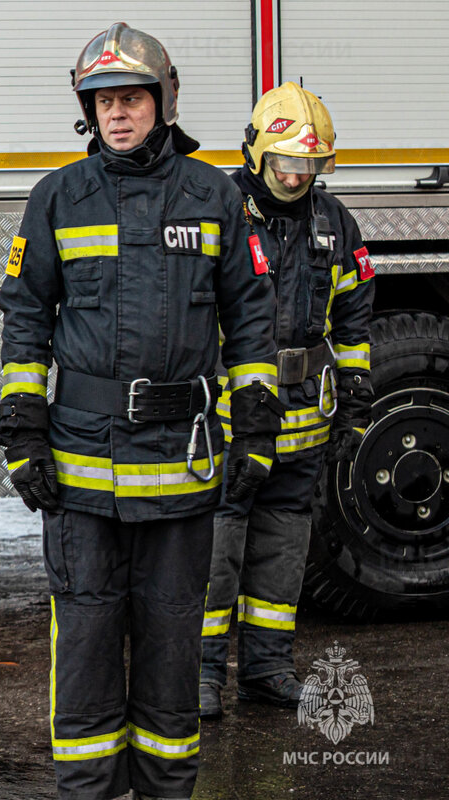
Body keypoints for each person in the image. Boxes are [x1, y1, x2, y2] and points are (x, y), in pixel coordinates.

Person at [0, 23, 282, 800]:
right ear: (87, 111)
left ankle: (167, 787)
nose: (117, 114)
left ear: (165, 100)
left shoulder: (215, 195)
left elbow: (250, 318)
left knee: (170, 649)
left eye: (131, 98)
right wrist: (22, 428)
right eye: (103, 101)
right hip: (81, 471)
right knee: (84, 648)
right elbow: (25, 316)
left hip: (180, 467)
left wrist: (255, 422)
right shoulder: (57, 196)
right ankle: (87, 790)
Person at [199, 83, 375, 720]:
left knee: (283, 544)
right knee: (217, 546)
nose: (298, 176)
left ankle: (268, 671)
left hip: (305, 413)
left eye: (310, 166)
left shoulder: (333, 220)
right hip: (232, 417)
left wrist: (355, 390)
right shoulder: (221, 209)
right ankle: (202, 676)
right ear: (256, 154)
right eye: (286, 163)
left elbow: (354, 311)